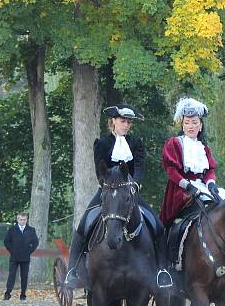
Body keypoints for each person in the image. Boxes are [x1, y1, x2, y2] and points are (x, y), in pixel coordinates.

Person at [64, 104, 173, 291]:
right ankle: (73, 270)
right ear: (113, 121)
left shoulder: (135, 143)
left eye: (129, 122)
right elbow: (100, 168)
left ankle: (162, 270)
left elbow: (139, 168)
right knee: (83, 225)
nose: (126, 125)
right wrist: (105, 183)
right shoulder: (102, 143)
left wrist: (134, 185)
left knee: (158, 226)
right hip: (106, 192)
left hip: (130, 193)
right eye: (123, 121)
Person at [159, 96, 219, 227]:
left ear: (200, 125)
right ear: (183, 125)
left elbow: (209, 171)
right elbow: (171, 172)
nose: (190, 126)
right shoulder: (174, 143)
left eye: (194, 122)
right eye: (187, 123)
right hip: (181, 189)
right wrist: (189, 187)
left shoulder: (204, 148)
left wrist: (211, 184)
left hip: (202, 187)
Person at [3, 213, 39, 300]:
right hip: (14, 257)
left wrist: (29, 250)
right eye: (21, 219)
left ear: (27, 220)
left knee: (24, 276)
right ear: (17, 220)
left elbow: (35, 242)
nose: (22, 221)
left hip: (25, 257)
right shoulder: (12, 229)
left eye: (24, 220)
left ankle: (23, 294)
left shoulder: (31, 230)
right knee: (12, 275)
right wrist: (12, 251)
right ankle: (8, 293)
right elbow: (6, 242)